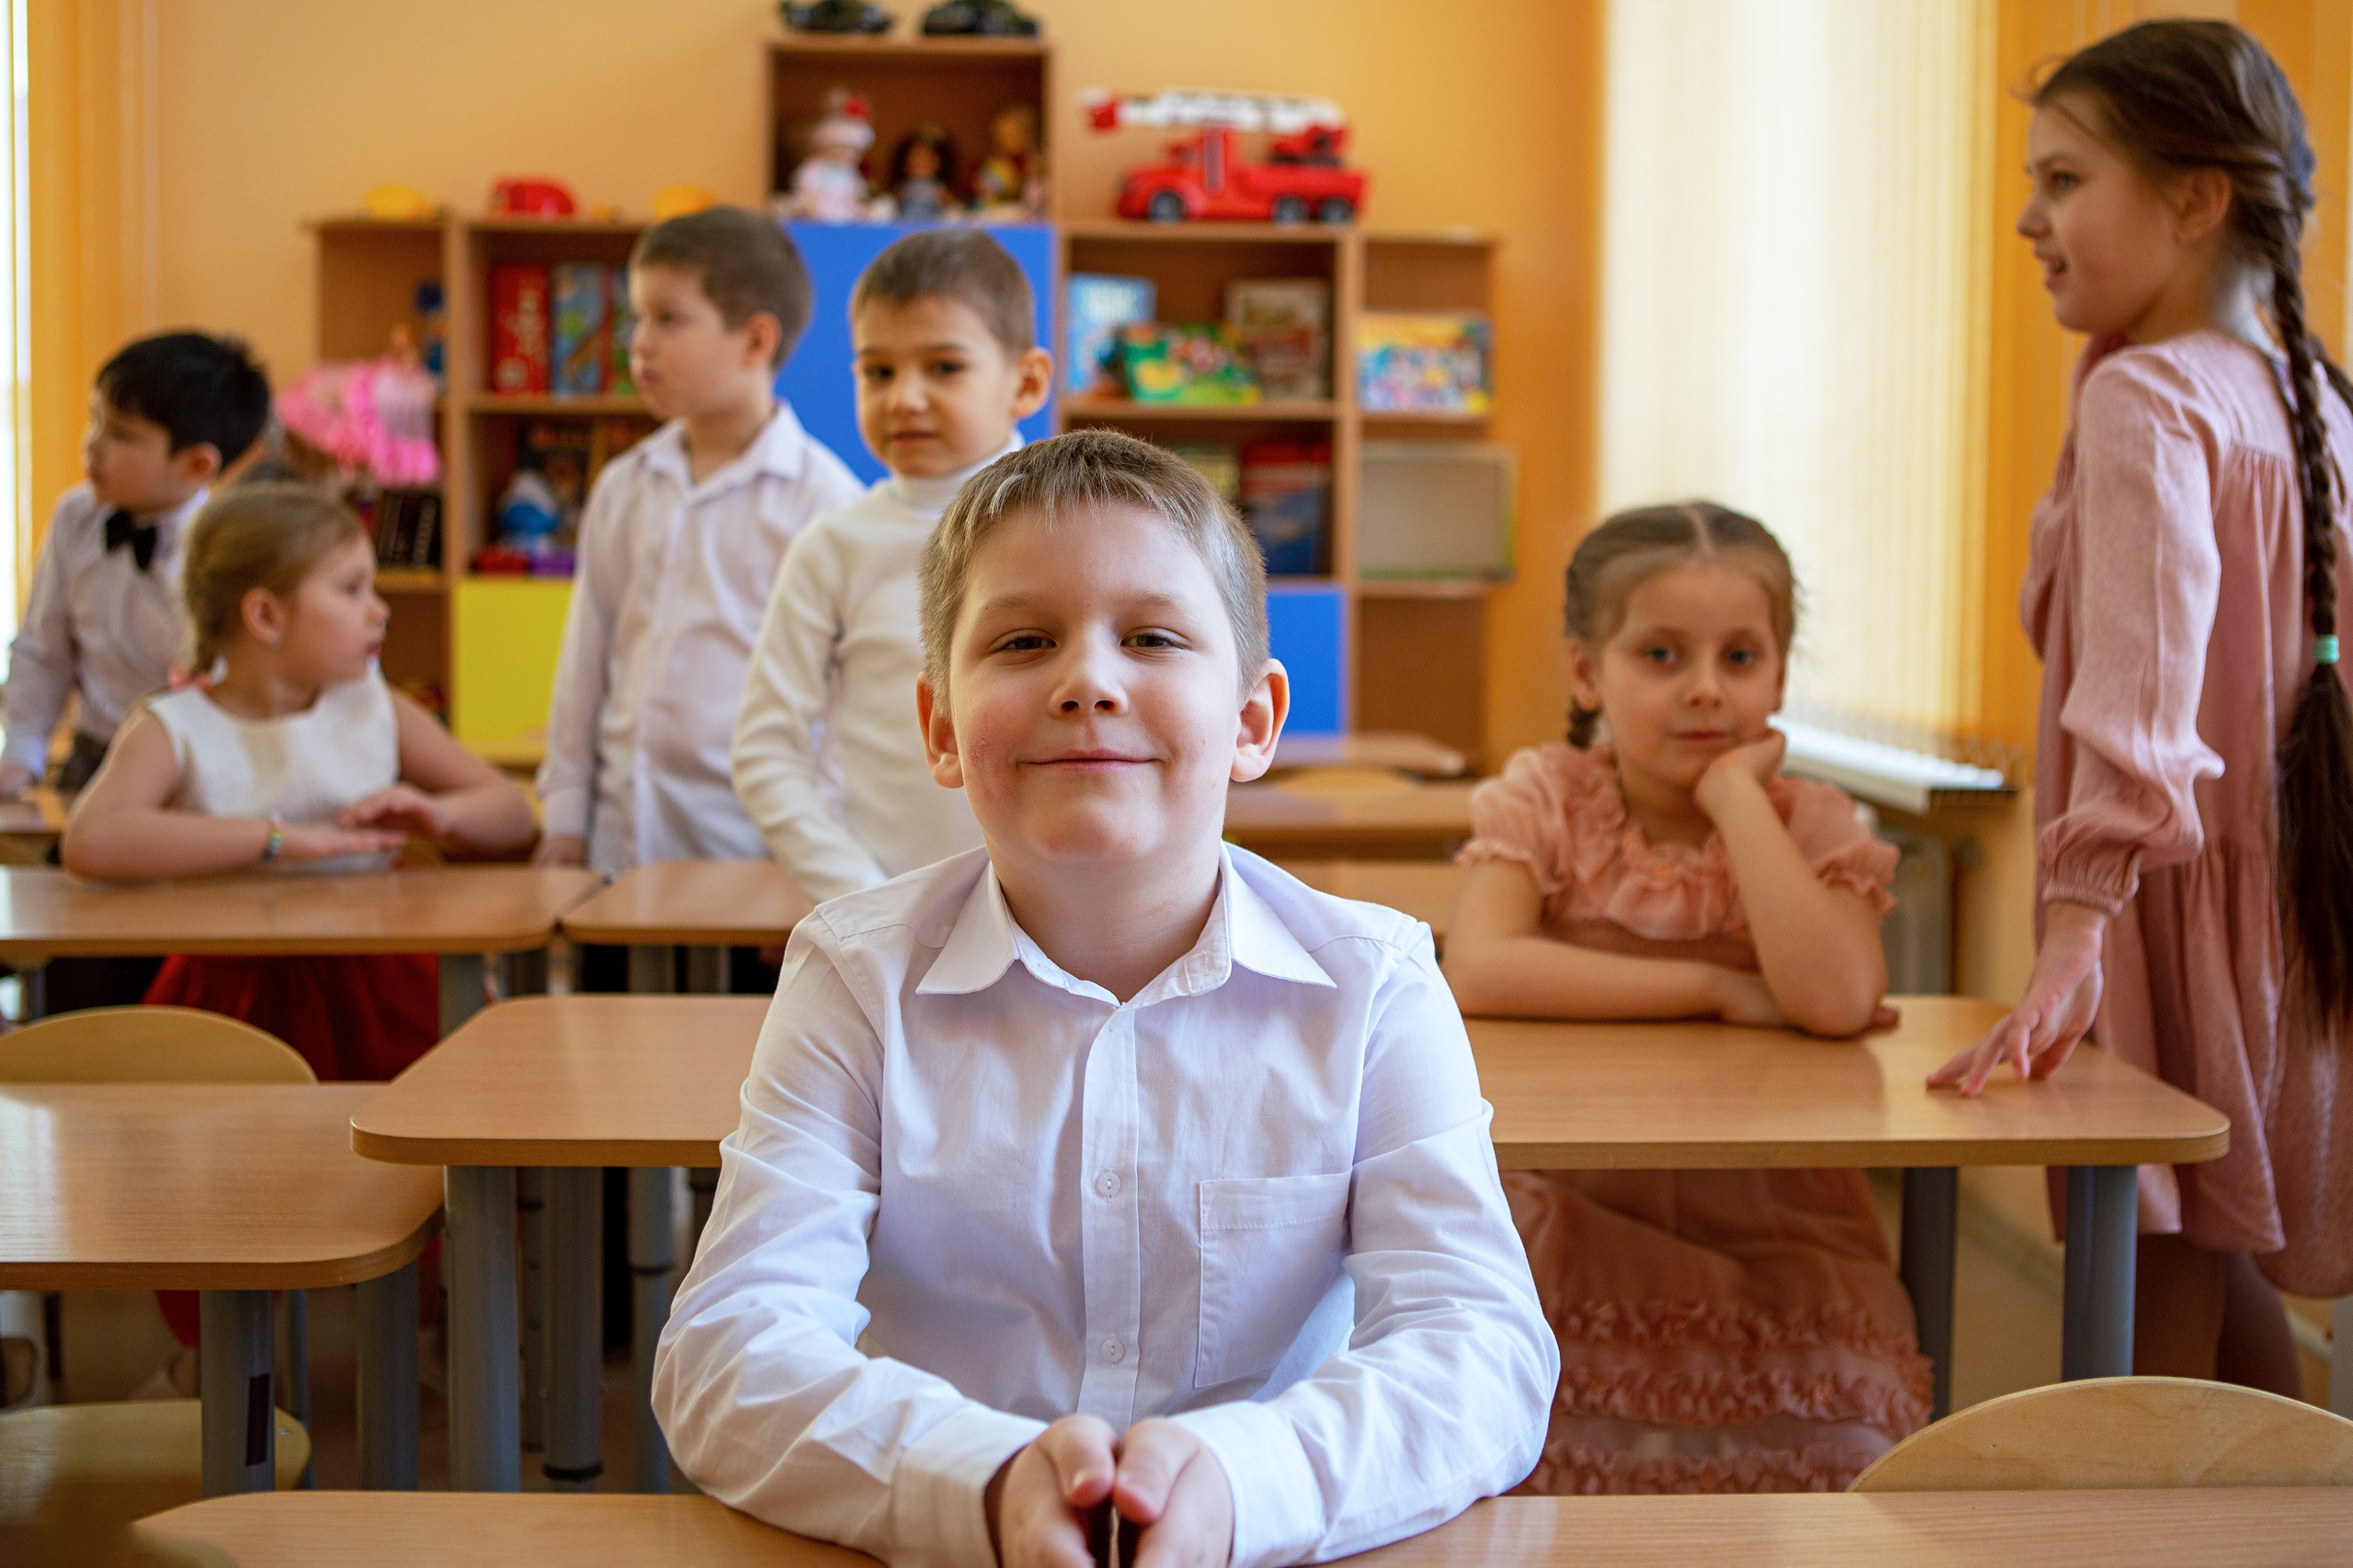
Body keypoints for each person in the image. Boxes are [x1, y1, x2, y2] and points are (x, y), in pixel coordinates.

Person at [655, 431, 1554, 1568]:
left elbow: (1478, 1347)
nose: (1088, 680)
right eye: (1024, 640)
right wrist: (978, 1482)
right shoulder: (853, 978)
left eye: (1153, 637)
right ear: (938, 726)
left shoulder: (1374, 983)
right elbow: (730, 1348)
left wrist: (1241, 1481)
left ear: (1252, 721)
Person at [1929, 18, 2353, 1392]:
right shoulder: (2315, 403)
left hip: (2167, 916)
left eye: (2064, 180)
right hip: (2292, 904)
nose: (2025, 217)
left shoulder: (2149, 397)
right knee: (2218, 1276)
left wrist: (2074, 925)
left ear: (2192, 200)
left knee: (2141, 1361)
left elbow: (2138, 685)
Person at [1442, 503, 1927, 1493]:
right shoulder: (1546, 796)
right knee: (1526, 1429)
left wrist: (1736, 801)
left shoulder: (1811, 819)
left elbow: (1835, 997)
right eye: (1661, 655)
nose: (1706, 689)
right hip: (1574, 1203)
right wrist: (1711, 984)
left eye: (1740, 658)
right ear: (1587, 672)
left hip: (1774, 1218)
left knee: (1838, 1426)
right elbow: (1482, 965)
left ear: (1779, 677)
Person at [60, 482, 536, 1077]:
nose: (378, 609)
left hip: (384, 982)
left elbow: (512, 813)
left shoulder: (372, 708)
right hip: (229, 991)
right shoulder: (176, 724)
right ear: (265, 615)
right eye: (351, 589)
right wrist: (277, 840)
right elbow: (92, 840)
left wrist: (442, 816)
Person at [534, 207, 862, 897]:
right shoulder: (625, 486)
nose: (640, 345)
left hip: (751, 859)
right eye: (636, 320)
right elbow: (584, 659)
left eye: (668, 319)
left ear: (755, 340)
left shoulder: (824, 501)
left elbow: (841, 710)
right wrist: (564, 816)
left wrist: (815, 861)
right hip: (619, 849)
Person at [733, 228, 1051, 904]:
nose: (904, 397)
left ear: (1025, 383)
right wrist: (856, 897)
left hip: (1062, 912)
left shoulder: (1073, 529)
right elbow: (765, 751)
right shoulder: (835, 546)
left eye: (943, 367)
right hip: (891, 921)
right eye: (878, 371)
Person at [2, 332, 270, 797]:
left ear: (197, 465)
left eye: (121, 435)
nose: (93, 446)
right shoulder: (75, 517)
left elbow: (223, 676)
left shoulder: (228, 547)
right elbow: (44, 649)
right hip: (93, 753)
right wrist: (21, 755)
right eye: (95, 422)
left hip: (190, 762)